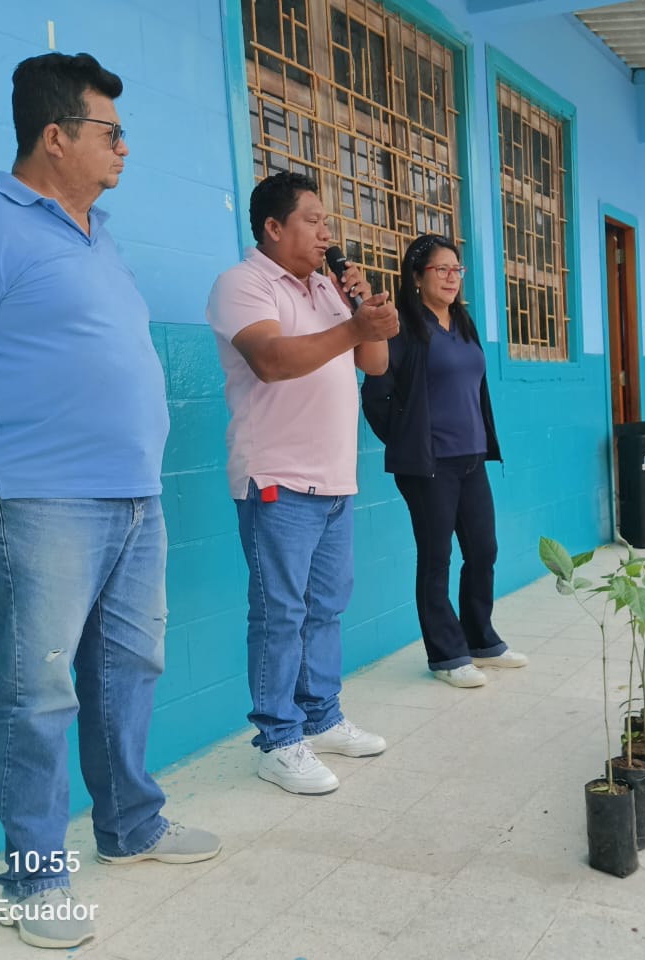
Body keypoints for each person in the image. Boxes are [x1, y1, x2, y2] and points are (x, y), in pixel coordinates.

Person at [0, 52, 220, 951]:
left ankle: (131, 825)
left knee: (128, 671)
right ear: (56, 136)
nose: (125, 148)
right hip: (38, 502)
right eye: (112, 132)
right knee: (38, 694)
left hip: (134, 498)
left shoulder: (97, 234)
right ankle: (32, 879)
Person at [206, 172, 397, 796]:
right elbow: (270, 360)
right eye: (312, 220)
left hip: (334, 478)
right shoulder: (244, 284)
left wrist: (366, 317)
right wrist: (354, 328)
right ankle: (278, 739)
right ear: (273, 227)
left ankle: (321, 718)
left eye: (326, 221)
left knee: (326, 607)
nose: (326, 233)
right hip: (277, 478)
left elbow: (374, 363)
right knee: (280, 613)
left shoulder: (326, 286)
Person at [360, 235, 526, 688]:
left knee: (484, 551)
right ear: (417, 276)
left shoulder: (463, 323)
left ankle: (481, 640)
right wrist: (408, 442)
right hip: (430, 465)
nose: (452, 278)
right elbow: (375, 394)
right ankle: (447, 655)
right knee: (437, 558)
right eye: (442, 269)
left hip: (472, 458)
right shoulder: (403, 328)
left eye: (457, 270)